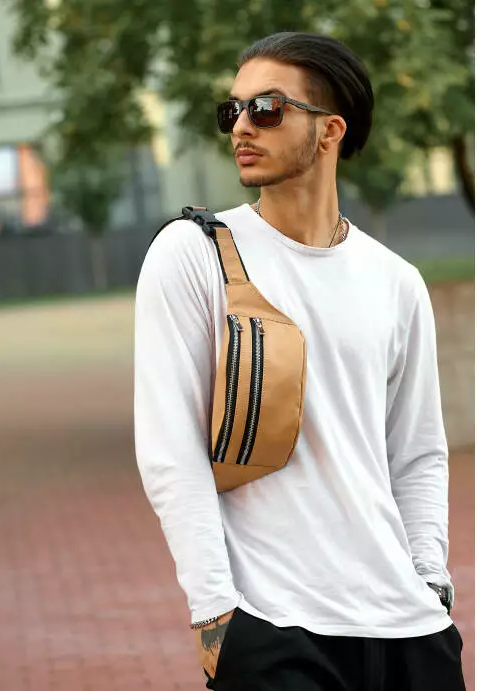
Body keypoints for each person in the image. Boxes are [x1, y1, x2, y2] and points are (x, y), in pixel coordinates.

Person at [134, 32, 465, 691]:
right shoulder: (194, 254)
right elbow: (171, 449)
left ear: (330, 130)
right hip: (272, 624)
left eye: (267, 108)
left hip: (407, 624)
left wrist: (431, 580)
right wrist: (214, 612)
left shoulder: (395, 281)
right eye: (232, 110)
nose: (241, 126)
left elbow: (417, 452)